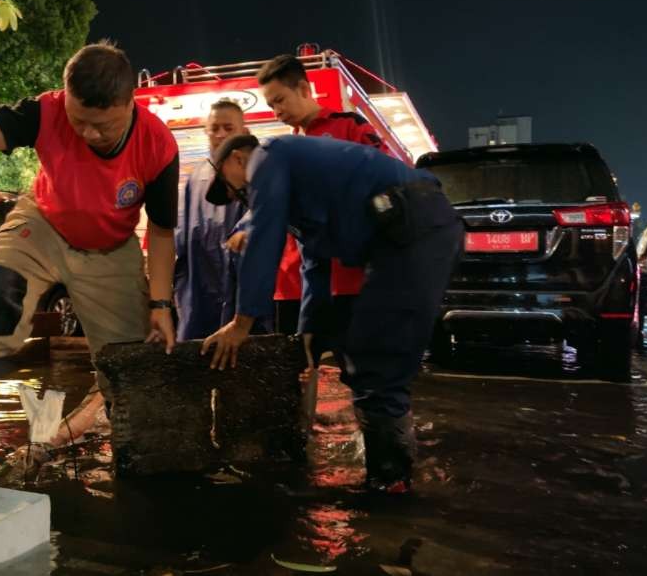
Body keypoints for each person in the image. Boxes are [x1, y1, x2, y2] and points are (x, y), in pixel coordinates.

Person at [0, 42, 179, 454]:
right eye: (80, 123)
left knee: (127, 362)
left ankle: (134, 448)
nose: (90, 135)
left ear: (130, 102)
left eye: (104, 126)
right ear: (66, 99)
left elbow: (164, 232)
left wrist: (161, 305)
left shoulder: (158, 144)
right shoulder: (45, 111)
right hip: (43, 223)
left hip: (111, 247)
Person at [200, 134, 462, 493]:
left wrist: (241, 322)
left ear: (237, 159)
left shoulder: (267, 157)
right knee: (362, 352)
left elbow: (265, 238)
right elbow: (314, 262)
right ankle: (390, 472)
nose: (235, 197)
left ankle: (390, 482)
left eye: (229, 188)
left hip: (413, 223)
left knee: (377, 356)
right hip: (404, 232)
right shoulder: (299, 187)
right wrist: (310, 332)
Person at [235, 54, 392, 334]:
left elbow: (387, 182)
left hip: (354, 278)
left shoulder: (349, 126)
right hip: (305, 283)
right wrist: (247, 227)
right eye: (271, 105)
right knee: (306, 362)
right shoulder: (286, 149)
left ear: (304, 90)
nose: (276, 111)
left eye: (280, 100)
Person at [174, 99, 250, 341]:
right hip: (199, 294)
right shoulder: (196, 178)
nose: (220, 135)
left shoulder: (256, 173)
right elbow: (182, 239)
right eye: (214, 128)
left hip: (240, 291)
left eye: (229, 128)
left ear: (244, 132)